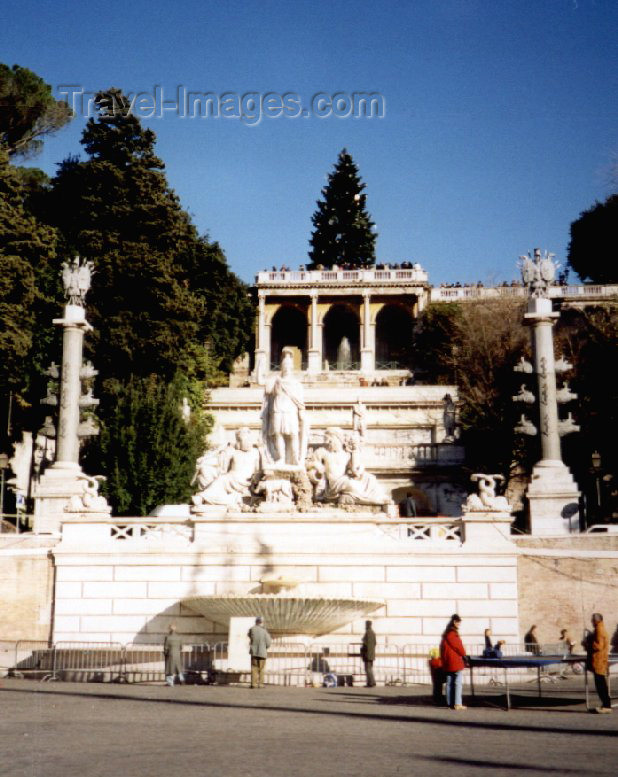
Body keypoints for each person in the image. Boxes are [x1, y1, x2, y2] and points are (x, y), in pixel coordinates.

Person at [261, 347, 306, 466]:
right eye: (284, 366)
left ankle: (295, 458)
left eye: (288, 366)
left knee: (293, 434)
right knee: (278, 434)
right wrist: (261, 365)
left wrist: (301, 410)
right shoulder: (276, 380)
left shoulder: (296, 383)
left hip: (290, 409)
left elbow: (299, 399)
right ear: (281, 367)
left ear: (291, 367)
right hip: (277, 409)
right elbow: (266, 389)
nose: (286, 368)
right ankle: (281, 458)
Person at [584, 613, 611, 713]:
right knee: (601, 684)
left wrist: (588, 644)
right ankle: (606, 705)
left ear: (596, 620)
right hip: (600, 660)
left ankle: (606, 706)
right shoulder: (601, 628)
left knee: (600, 685)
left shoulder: (599, 630)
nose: (591, 622)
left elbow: (599, 646)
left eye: (592, 620)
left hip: (598, 660)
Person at [440, 614, 467, 710]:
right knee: (457, 683)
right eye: (458, 622)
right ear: (455, 622)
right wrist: (464, 654)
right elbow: (458, 646)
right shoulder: (453, 634)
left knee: (449, 682)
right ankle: (457, 703)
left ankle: (449, 703)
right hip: (454, 661)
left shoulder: (446, 634)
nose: (459, 625)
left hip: (447, 662)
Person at [248, 616, 272, 689]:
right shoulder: (265, 631)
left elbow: (249, 636)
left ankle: (253, 684)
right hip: (262, 653)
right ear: (262, 622)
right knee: (261, 669)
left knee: (254, 668)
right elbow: (269, 643)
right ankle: (261, 684)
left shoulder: (252, 629)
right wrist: (264, 648)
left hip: (254, 652)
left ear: (256, 622)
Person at [360, 620, 377, 687]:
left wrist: (363, 651)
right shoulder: (373, 632)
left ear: (367, 625)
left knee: (368, 669)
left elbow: (365, 643)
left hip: (367, 654)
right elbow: (375, 643)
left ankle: (370, 683)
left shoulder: (368, 632)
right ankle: (372, 681)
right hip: (371, 653)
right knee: (370, 668)